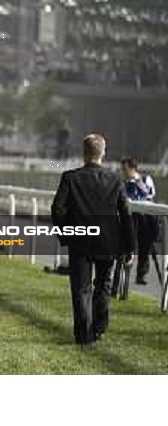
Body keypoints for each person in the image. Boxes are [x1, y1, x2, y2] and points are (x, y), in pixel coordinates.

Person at [51, 134, 135, 346]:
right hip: (109, 242)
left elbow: (57, 209)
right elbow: (126, 215)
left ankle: (83, 336)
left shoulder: (70, 177)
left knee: (81, 289)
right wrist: (130, 247)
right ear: (103, 153)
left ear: (84, 153)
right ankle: (99, 328)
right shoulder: (115, 179)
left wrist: (67, 234)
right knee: (103, 286)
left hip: (80, 241)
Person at [120, 157, 158, 285]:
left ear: (133, 169)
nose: (123, 173)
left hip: (145, 218)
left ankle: (141, 275)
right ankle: (124, 275)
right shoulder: (123, 182)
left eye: (125, 170)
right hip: (131, 218)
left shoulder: (146, 179)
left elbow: (149, 194)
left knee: (145, 243)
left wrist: (136, 182)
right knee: (128, 243)